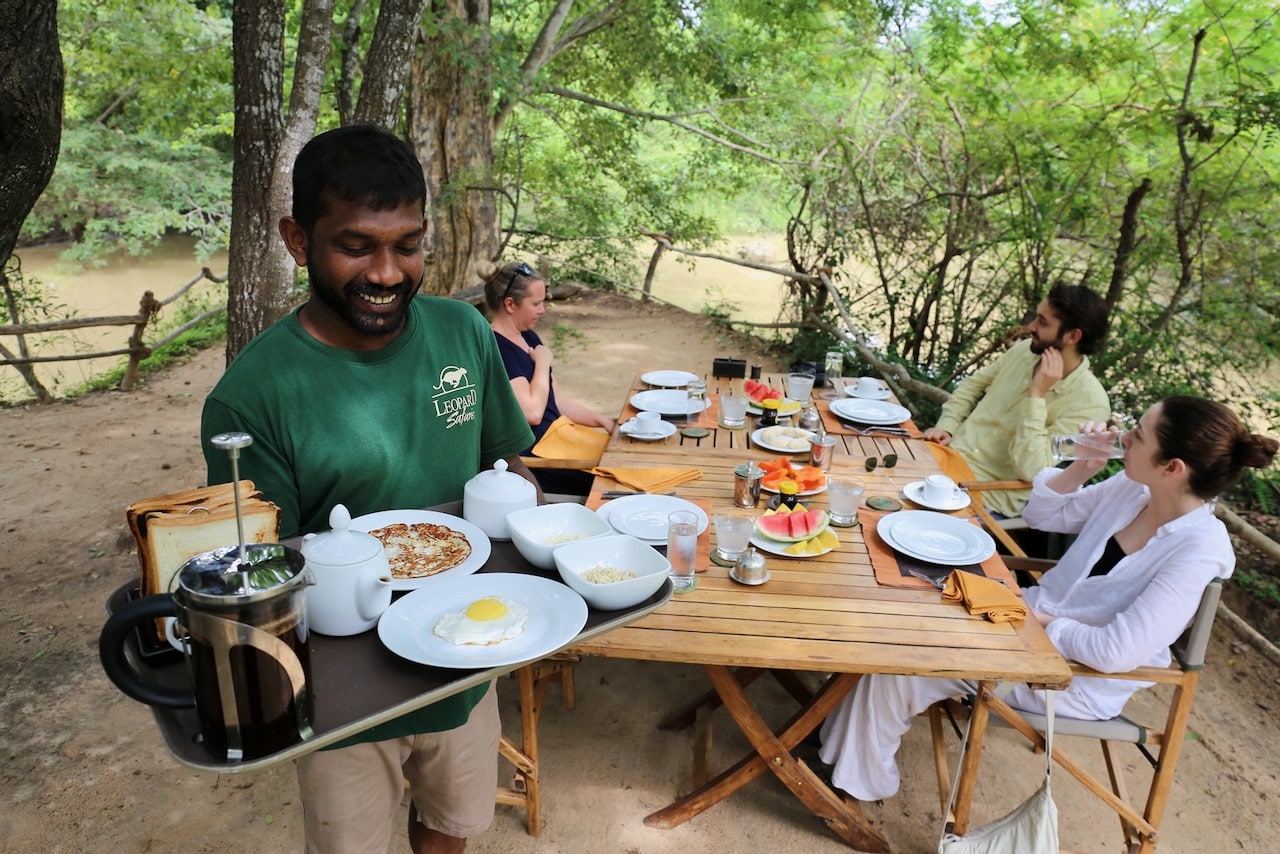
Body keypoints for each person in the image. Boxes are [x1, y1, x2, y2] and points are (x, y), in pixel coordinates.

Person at [201, 124, 539, 854]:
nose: (387, 273)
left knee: (449, 827)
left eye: (407, 245)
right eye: (356, 246)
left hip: (466, 659)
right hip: (344, 700)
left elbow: (508, 464)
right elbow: (264, 572)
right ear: (298, 241)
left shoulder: (462, 333)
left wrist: (534, 533)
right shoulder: (253, 397)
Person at [818, 395, 1277, 805]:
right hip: (1023, 623)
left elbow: (1115, 651)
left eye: (1138, 435)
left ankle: (857, 783)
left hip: (1073, 677)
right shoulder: (1132, 489)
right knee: (905, 615)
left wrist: (1045, 621)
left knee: (907, 662)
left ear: (1172, 467)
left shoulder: (1199, 550)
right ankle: (834, 750)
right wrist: (1082, 467)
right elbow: (1041, 514)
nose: (1124, 438)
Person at [923, 283, 1112, 517]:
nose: (1031, 327)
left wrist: (1036, 396)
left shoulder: (1091, 405)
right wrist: (947, 426)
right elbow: (972, 386)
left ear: (1073, 336)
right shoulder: (1024, 350)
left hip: (985, 494)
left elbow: (1031, 470)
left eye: (1042, 322)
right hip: (945, 459)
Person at [485, 260, 615, 494]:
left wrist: (602, 421)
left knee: (618, 453)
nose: (542, 310)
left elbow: (558, 400)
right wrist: (542, 363)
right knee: (617, 473)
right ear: (510, 304)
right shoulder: (498, 349)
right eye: (536, 303)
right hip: (538, 456)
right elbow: (533, 413)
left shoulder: (529, 337)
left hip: (560, 437)